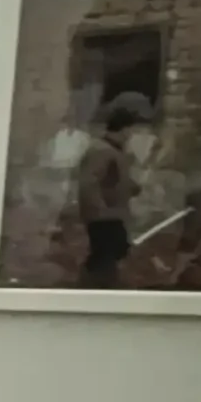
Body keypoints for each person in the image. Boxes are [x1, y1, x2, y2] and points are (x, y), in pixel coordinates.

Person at [76, 93, 152, 286]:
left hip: (114, 216)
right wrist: (100, 213)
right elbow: (89, 184)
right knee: (105, 260)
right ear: (125, 130)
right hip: (105, 219)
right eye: (134, 131)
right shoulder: (102, 150)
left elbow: (115, 181)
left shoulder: (115, 152)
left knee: (114, 258)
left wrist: (134, 187)